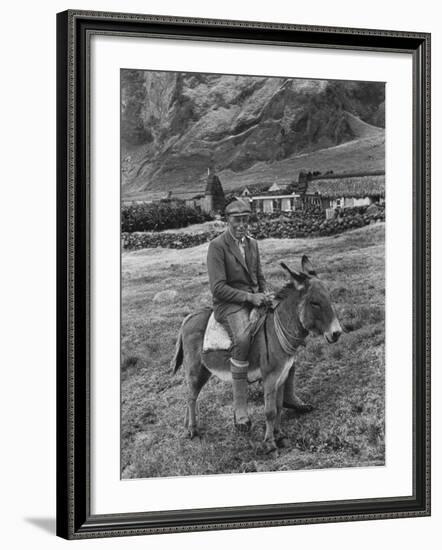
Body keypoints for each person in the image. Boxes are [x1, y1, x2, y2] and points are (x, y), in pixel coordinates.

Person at [206, 199, 312, 432]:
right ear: (227, 221)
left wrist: (265, 294)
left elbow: (259, 275)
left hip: (255, 297)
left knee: (286, 331)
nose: (242, 225)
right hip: (230, 304)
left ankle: (289, 395)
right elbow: (218, 288)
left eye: (245, 220)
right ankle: (240, 407)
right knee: (243, 339)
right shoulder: (217, 246)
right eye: (237, 220)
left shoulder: (253, 243)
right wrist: (249, 298)